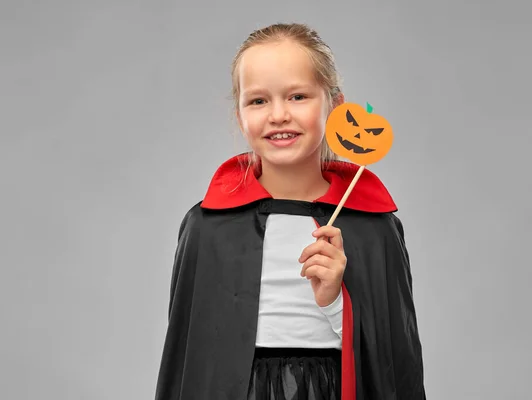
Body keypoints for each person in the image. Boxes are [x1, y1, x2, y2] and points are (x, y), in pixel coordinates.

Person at [154, 23, 426, 400]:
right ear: (239, 115)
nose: (278, 115)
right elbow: (191, 360)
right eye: (258, 101)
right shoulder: (207, 225)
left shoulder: (373, 226)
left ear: (336, 106)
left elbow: (391, 360)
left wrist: (334, 299)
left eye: (298, 96)